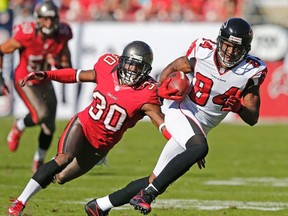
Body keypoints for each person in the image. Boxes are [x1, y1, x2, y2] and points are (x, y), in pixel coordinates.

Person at [84, 17, 268, 216]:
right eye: (227, 45)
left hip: (199, 127)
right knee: (200, 148)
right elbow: (173, 67)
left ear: (246, 50)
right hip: (181, 109)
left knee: (156, 178)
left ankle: (99, 206)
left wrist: (239, 108)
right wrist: (159, 94)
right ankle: (148, 196)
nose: (230, 52)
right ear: (219, 41)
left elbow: (252, 118)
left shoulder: (251, 71)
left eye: (236, 48)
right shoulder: (203, 51)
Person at [7, 40, 172, 216]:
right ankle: (18, 203)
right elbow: (77, 75)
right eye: (130, 64)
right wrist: (47, 75)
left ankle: (44, 180)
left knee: (61, 178)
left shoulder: (147, 93)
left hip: (100, 145)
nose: (132, 70)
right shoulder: (107, 68)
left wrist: (184, 143)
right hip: (83, 124)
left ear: (145, 70)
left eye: (137, 67)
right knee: (63, 158)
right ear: (123, 61)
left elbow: (160, 123)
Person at [0, 0, 73, 172]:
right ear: (38, 19)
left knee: (50, 125)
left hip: (44, 80)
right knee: (40, 115)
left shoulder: (62, 33)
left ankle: (38, 160)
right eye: (45, 19)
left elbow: (67, 65)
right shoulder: (26, 33)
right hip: (25, 79)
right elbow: (2, 49)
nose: (49, 23)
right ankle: (19, 126)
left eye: (52, 19)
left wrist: (57, 63)